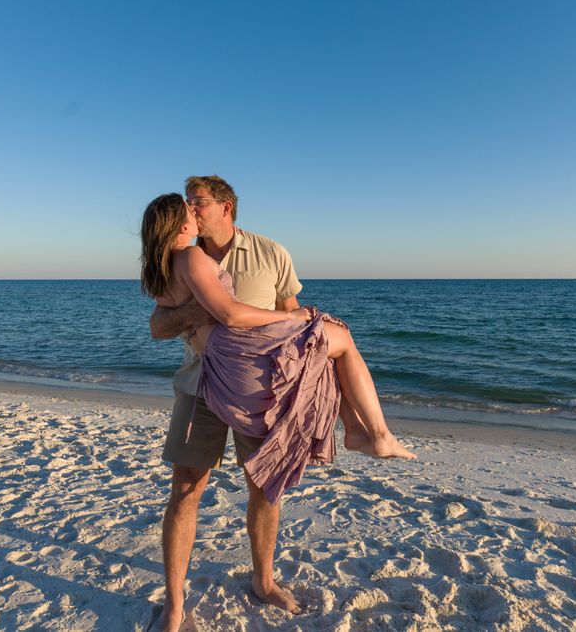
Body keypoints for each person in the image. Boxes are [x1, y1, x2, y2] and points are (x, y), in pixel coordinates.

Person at [145, 177, 412, 632]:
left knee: (266, 488)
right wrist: (195, 314)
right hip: (198, 384)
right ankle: (174, 604)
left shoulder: (271, 253)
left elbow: (291, 320)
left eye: (199, 201)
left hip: (261, 390)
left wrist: (300, 323)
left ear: (225, 207)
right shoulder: (183, 254)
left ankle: (264, 581)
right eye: (187, 203)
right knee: (185, 490)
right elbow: (159, 323)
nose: (191, 207)